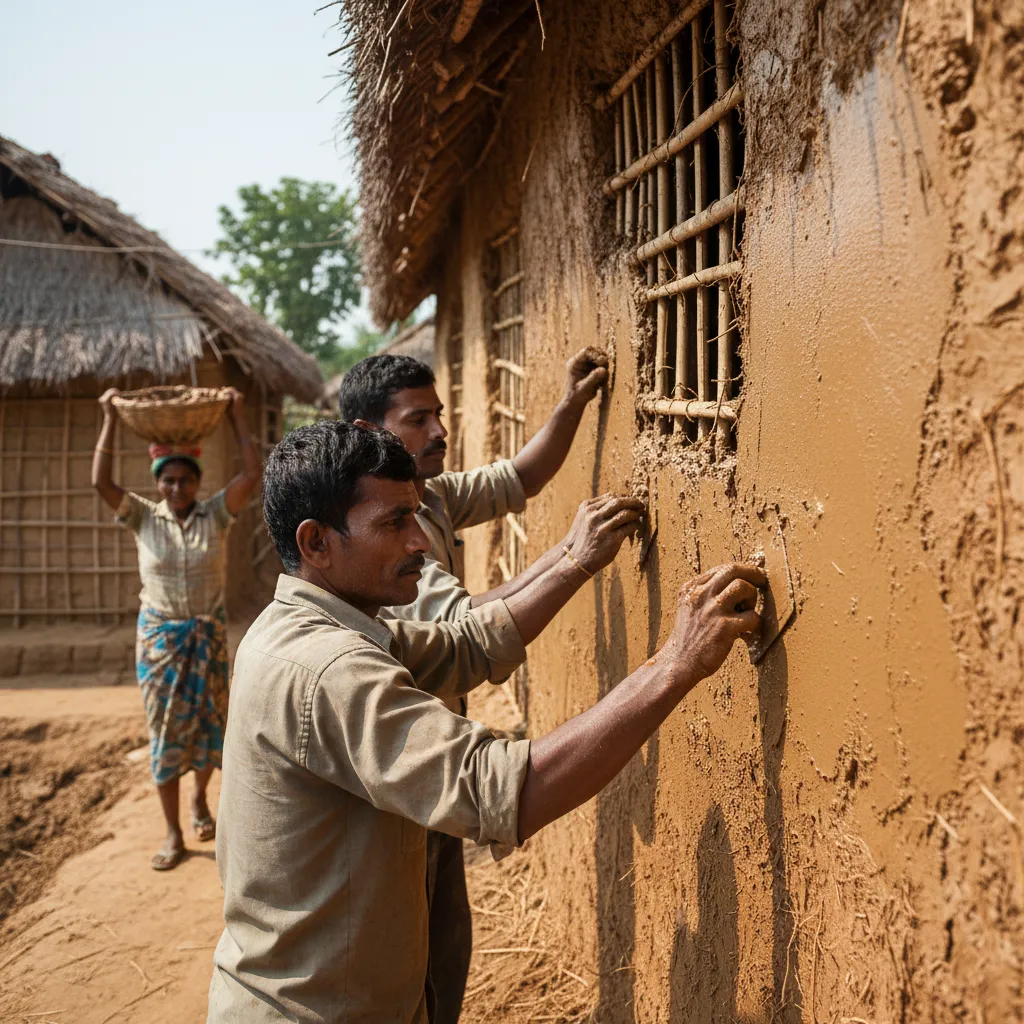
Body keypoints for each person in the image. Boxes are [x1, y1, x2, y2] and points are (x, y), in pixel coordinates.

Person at [207, 420, 764, 1023]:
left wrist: (572, 561)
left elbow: (466, 646)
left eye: (416, 515)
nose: (421, 541)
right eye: (394, 523)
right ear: (316, 543)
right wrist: (676, 664)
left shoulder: (308, 628)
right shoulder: (328, 668)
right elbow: (499, 790)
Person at [338, 347, 611, 1022]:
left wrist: (570, 406)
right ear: (371, 433)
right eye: (417, 419)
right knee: (414, 931)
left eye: (438, 414)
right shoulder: (391, 531)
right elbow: (470, 630)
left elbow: (522, 476)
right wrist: (569, 561)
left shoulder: (429, 499)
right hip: (410, 757)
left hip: (438, 745)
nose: (439, 431)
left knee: (447, 918)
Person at [92, 387, 262, 871]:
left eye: (185, 480)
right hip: (161, 643)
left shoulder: (217, 515)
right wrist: (108, 417)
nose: (176, 488)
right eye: (167, 480)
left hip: (206, 641)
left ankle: (199, 801)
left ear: (196, 481)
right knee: (164, 734)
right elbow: (100, 482)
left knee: (210, 727)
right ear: (158, 483)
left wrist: (238, 414)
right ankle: (172, 832)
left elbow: (252, 474)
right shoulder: (142, 517)